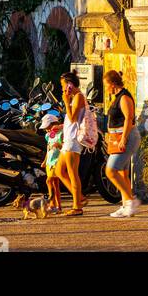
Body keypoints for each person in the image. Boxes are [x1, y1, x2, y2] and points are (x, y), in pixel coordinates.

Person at [104, 69, 141, 218]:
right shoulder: (117, 97)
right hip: (117, 138)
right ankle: (126, 205)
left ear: (113, 84)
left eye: (106, 84)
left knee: (110, 170)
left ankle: (131, 201)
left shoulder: (124, 97)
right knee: (122, 173)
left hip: (127, 137)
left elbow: (129, 118)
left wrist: (123, 139)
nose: (106, 88)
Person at [57, 71, 89, 215]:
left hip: (73, 140)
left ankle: (77, 206)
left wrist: (65, 101)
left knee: (72, 173)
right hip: (68, 139)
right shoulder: (74, 98)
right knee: (59, 170)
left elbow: (73, 117)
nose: (62, 89)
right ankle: (80, 197)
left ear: (70, 84)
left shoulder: (78, 97)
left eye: (63, 85)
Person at [40, 111, 64, 214]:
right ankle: (56, 205)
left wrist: (58, 145)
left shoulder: (61, 133)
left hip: (57, 161)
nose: (47, 129)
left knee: (49, 181)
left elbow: (65, 146)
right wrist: (45, 161)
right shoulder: (48, 136)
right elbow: (48, 149)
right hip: (50, 162)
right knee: (54, 184)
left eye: (48, 127)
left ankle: (54, 204)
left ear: (55, 124)